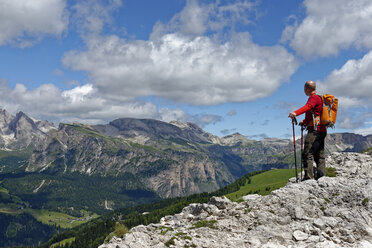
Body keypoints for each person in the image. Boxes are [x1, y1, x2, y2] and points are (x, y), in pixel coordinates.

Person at [288, 80, 327, 180]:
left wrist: (295, 113)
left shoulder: (313, 98)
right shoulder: (320, 98)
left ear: (307, 89)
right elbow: (314, 115)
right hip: (321, 130)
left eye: (304, 89)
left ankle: (308, 178)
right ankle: (321, 177)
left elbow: (308, 107)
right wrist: (304, 122)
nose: (304, 91)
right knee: (319, 154)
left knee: (307, 153)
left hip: (314, 131)